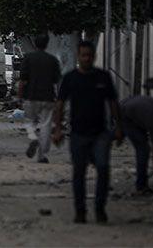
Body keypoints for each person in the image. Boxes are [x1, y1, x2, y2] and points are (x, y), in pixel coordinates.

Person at [52, 40, 123, 224]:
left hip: (100, 133)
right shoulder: (70, 78)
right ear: (79, 56)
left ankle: (99, 209)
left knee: (103, 168)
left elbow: (113, 103)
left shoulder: (103, 77)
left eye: (89, 56)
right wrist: (58, 129)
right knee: (79, 172)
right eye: (83, 55)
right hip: (78, 133)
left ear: (94, 57)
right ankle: (80, 211)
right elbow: (59, 104)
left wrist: (119, 127)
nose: (86, 58)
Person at [19, 34, 62, 163]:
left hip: (31, 96)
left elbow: (23, 80)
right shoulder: (52, 60)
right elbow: (56, 80)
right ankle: (42, 155)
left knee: (29, 121)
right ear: (47, 44)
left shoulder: (28, 58)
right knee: (46, 125)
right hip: (48, 97)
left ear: (36, 44)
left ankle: (33, 138)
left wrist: (19, 96)